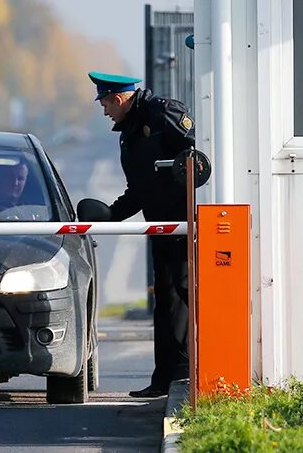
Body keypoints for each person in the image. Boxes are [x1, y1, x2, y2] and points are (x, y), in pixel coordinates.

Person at [88, 71, 194, 398]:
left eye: (106, 103)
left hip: (185, 225)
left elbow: (199, 157)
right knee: (167, 301)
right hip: (161, 227)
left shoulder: (164, 114)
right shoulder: (130, 133)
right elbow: (140, 189)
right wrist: (111, 214)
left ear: (118, 99)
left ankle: (197, 371)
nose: (105, 111)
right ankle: (167, 377)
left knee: (187, 295)